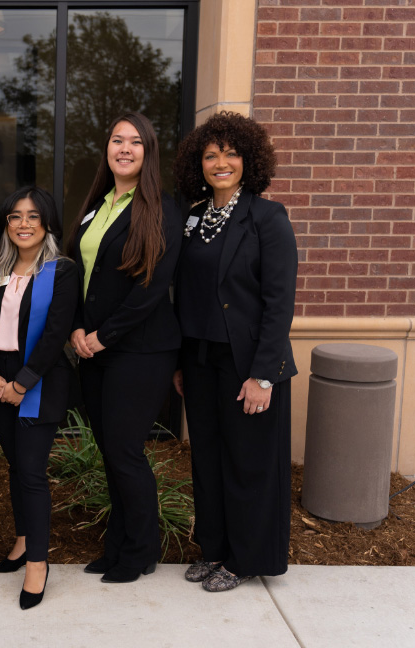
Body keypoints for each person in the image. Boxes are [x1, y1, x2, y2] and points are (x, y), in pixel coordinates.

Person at [172, 111, 297, 592]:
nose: (220, 162)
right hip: (201, 361)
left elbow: (278, 302)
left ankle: (245, 559)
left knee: (247, 464)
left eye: (230, 152)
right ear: (197, 164)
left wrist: (263, 374)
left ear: (248, 159)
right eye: (210, 154)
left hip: (248, 364)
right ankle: (216, 549)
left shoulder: (268, 217)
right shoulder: (193, 216)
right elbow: (187, 293)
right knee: (208, 459)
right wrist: (184, 362)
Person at [67, 112, 182, 584]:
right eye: (118, 140)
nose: (125, 148)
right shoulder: (98, 205)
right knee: (110, 451)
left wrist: (101, 336)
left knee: (125, 450)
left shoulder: (162, 208)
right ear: (108, 148)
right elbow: (77, 273)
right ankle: (118, 545)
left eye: (136, 142)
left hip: (140, 351)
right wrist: (76, 328)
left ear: (148, 152)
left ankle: (140, 552)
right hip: (94, 349)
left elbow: (151, 290)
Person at [0, 186, 77, 609]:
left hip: (40, 382)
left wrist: (22, 383)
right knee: (16, 466)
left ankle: (38, 561)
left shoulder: (63, 271)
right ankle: (22, 539)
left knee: (32, 471)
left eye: (33, 216)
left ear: (47, 222)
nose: (24, 224)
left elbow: (56, 334)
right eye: (15, 216)